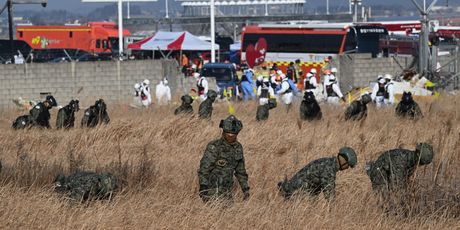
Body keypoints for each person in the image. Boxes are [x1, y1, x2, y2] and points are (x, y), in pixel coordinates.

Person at [198, 115, 250, 202]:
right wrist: (203, 187)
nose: (230, 136)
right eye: (228, 134)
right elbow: (204, 169)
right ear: (223, 132)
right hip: (212, 191)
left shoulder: (238, 147)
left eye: (233, 135)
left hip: (227, 192)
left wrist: (245, 189)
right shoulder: (214, 146)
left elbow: (240, 171)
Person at [278, 147, 357, 200]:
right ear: (344, 162)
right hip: (294, 193)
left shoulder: (328, 162)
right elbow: (329, 196)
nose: (347, 168)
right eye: (348, 166)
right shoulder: (328, 169)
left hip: (299, 192)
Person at [366, 143, 434, 192]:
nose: (421, 165)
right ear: (418, 156)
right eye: (421, 163)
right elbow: (395, 185)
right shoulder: (400, 160)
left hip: (388, 174)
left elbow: (403, 180)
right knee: (384, 200)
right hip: (379, 173)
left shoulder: (412, 161)